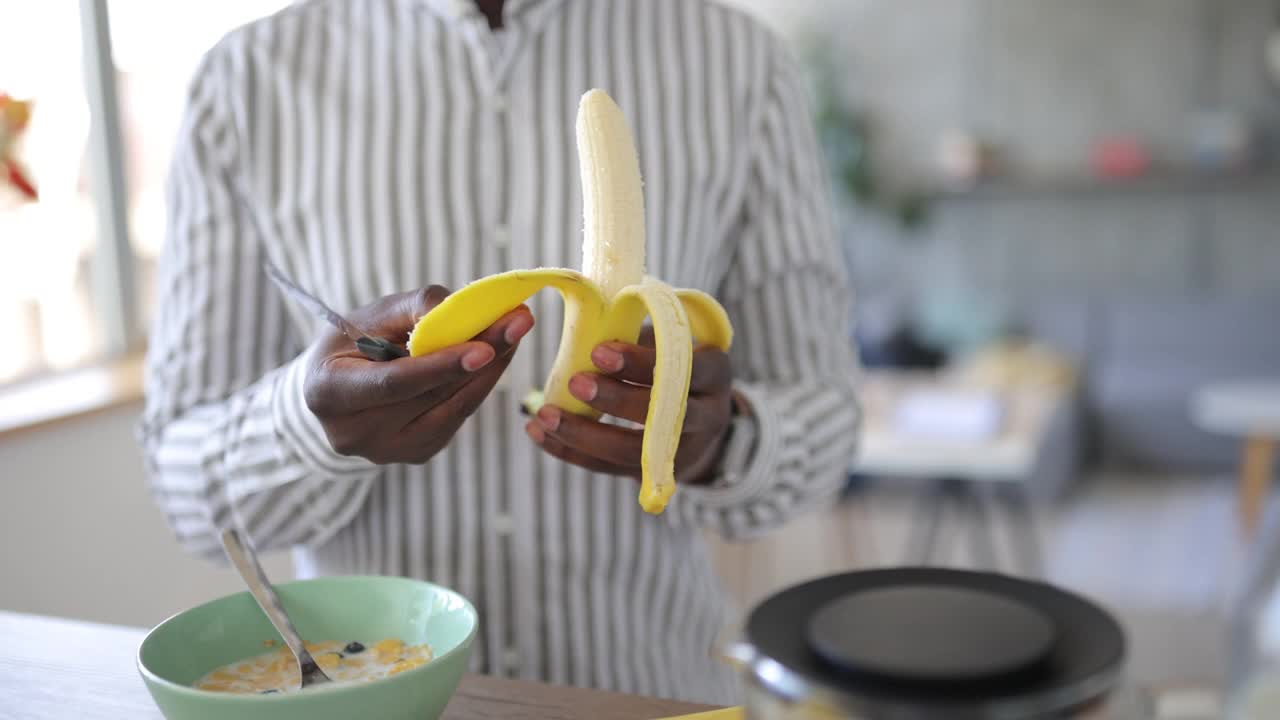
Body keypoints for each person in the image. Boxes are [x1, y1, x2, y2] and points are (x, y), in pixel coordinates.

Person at [139, 0, 859, 705]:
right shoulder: (245, 81)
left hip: (645, 693)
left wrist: (721, 437)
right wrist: (309, 425)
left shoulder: (738, 61)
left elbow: (825, 422)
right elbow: (186, 486)